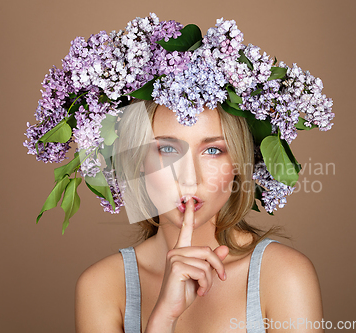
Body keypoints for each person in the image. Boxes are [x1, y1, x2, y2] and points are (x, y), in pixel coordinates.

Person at [74, 101, 324, 332]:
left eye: (213, 150)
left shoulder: (284, 275)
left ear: (238, 160)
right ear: (137, 157)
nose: (190, 178)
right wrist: (163, 319)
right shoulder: (102, 286)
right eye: (168, 149)